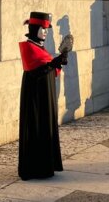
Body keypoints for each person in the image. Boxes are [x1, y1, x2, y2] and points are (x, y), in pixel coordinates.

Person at [18, 12, 67, 180]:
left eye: (47, 29)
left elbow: (47, 67)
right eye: (42, 28)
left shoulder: (40, 46)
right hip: (35, 96)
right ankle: (34, 167)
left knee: (45, 124)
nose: (45, 32)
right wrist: (53, 63)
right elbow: (35, 71)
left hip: (45, 93)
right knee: (36, 124)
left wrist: (57, 62)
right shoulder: (28, 47)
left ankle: (46, 164)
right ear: (33, 29)